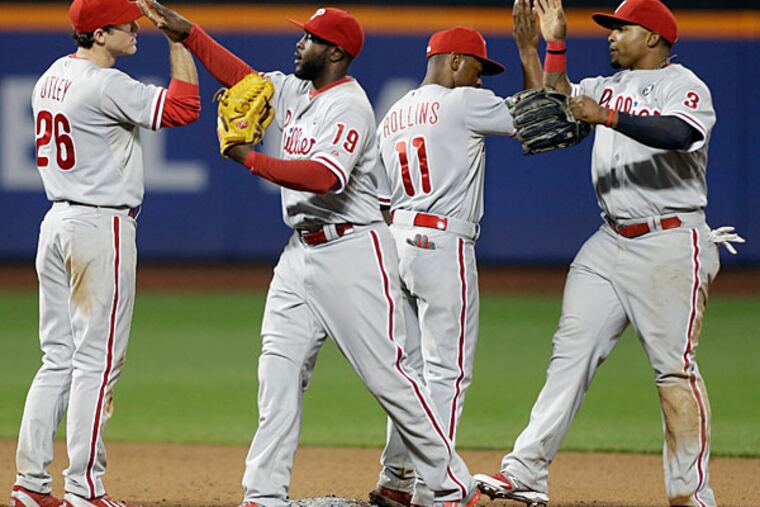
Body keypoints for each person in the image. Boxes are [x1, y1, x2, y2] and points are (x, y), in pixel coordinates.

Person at [137, 2, 481, 507]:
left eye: (311, 39)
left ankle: (450, 484)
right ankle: (264, 493)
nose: (300, 43)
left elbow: (325, 178)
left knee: (388, 377)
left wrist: (249, 158)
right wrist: (189, 34)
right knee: (277, 368)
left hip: (353, 252)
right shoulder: (301, 90)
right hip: (300, 253)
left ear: (336, 52)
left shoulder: (351, 107)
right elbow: (247, 79)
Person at [474, 0, 744, 506]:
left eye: (623, 28)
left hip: (670, 241)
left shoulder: (683, 84)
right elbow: (551, 109)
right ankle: (526, 471)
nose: (613, 35)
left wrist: (610, 116)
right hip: (610, 240)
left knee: (673, 370)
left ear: (656, 38)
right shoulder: (607, 86)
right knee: (569, 356)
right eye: (611, 28)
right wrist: (542, 46)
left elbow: (681, 132)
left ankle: (692, 493)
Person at [10, 0, 201, 506]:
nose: (136, 30)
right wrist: (180, 39)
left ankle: (30, 484)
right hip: (100, 225)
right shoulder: (105, 84)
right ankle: (84, 489)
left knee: (57, 360)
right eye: (126, 26)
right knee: (97, 364)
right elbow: (184, 108)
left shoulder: (52, 76)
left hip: (55, 223)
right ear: (98, 35)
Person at [369, 3, 542, 507]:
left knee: (411, 374)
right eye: (477, 69)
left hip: (395, 240)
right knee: (447, 373)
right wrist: (530, 50)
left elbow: (377, 196)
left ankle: (397, 478)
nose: (481, 81)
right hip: (442, 247)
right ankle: (435, 483)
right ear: (452, 63)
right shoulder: (463, 103)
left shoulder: (395, 112)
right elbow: (537, 115)